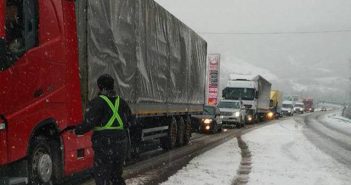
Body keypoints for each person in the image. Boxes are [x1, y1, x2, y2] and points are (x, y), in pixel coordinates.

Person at [75, 74, 133, 185]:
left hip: (104, 145)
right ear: (112, 86)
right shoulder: (122, 102)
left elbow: (88, 123)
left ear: (100, 87)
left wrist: (77, 130)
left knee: (102, 176)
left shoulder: (97, 102)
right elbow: (130, 121)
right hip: (121, 144)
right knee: (116, 176)